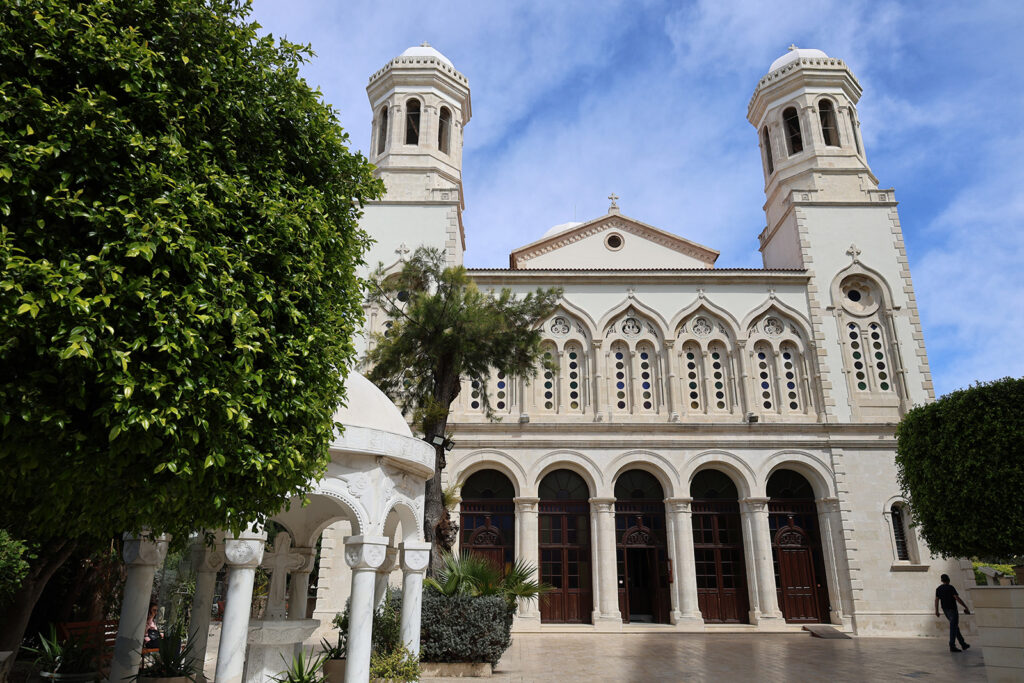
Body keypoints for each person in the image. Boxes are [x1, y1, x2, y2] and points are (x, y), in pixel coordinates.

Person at [935, 574, 970, 652]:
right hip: (952, 609)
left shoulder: (938, 589)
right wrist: (965, 606)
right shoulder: (951, 588)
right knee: (953, 627)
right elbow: (957, 598)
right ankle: (952, 645)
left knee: (955, 627)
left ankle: (963, 644)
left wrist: (936, 610)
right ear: (948, 580)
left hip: (945, 610)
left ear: (941, 580)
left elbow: (936, 600)